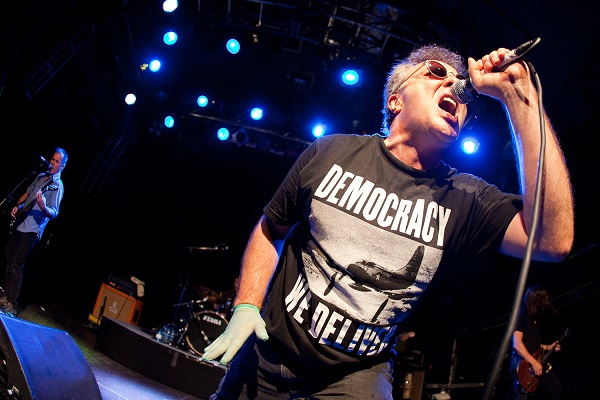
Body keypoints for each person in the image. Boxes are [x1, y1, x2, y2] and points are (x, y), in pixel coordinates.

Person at [201, 43, 574, 400]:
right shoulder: (331, 152)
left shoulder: (465, 197)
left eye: (459, 83)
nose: (453, 84)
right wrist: (247, 304)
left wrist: (519, 97)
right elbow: (271, 229)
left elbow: (553, 241)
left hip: (356, 374)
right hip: (270, 350)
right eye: (435, 72)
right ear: (396, 100)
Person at [0, 147, 67, 316]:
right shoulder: (40, 176)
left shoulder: (57, 186)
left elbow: (54, 213)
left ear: (62, 166)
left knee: (17, 264)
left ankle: (12, 304)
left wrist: (43, 205)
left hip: (33, 229)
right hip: (21, 222)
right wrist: (17, 206)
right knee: (9, 260)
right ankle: (7, 296)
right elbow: (27, 193)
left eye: (57, 161)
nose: (53, 163)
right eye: (52, 159)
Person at [510, 284, 563, 399]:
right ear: (536, 299)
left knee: (556, 389)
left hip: (536, 362)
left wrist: (549, 347)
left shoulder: (535, 316)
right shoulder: (522, 315)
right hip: (524, 366)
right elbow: (517, 343)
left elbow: (533, 344)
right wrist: (533, 362)